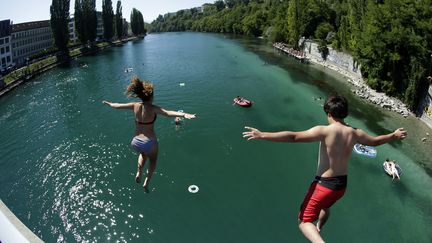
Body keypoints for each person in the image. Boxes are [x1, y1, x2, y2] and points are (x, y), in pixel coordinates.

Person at [242, 95, 407, 243]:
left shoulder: (325, 131)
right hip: (341, 186)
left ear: (328, 113)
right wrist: (393, 135)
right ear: (345, 113)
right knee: (325, 208)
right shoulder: (355, 133)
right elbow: (376, 141)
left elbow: (293, 137)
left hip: (324, 185)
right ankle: (320, 227)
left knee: (304, 222)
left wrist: (262, 134)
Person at [103, 76, 196, 192]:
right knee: (153, 161)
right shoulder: (153, 108)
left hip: (136, 142)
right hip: (150, 142)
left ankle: (139, 171)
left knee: (142, 153)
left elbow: (117, 105)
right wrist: (184, 114)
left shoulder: (134, 106)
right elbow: (167, 113)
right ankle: (146, 182)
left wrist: (109, 103)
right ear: (151, 96)